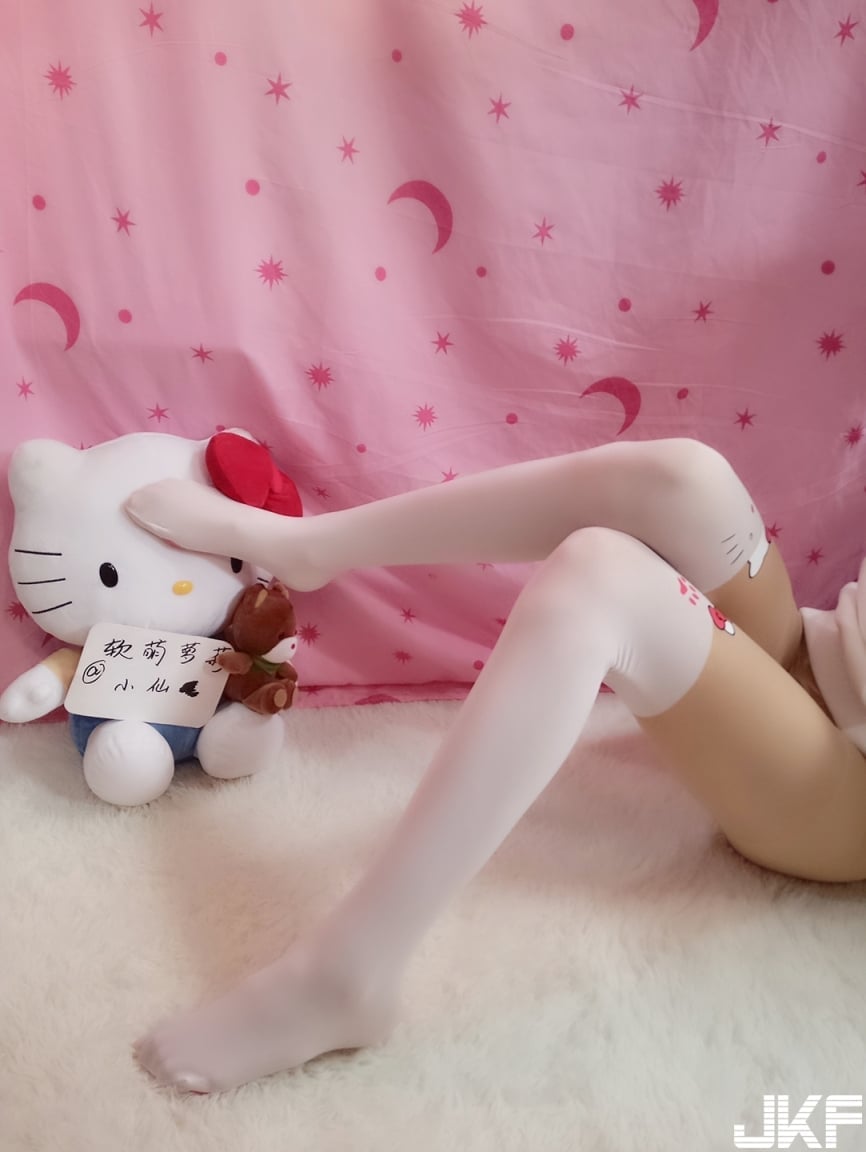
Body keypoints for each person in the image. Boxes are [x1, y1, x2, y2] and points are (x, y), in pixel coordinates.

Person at [124, 437, 866, 1095]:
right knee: (680, 478)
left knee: (600, 576)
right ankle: (311, 546)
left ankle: (347, 974)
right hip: (819, 645)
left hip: (844, 793)